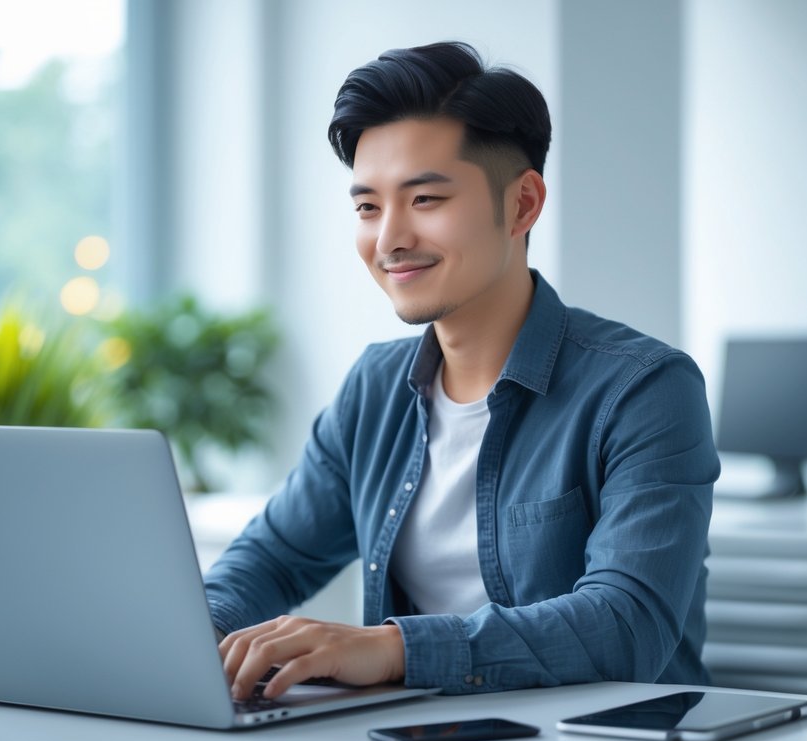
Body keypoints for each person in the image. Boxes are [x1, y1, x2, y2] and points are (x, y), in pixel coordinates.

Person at [206, 41, 720, 701]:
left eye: (423, 200)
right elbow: (270, 560)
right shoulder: (374, 389)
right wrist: (188, 634)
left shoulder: (644, 389)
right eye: (367, 207)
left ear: (522, 205)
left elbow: (626, 625)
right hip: (420, 739)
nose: (388, 238)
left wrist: (389, 648)